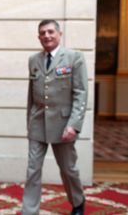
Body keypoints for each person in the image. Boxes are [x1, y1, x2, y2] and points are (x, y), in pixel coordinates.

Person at [22, 20, 88, 215]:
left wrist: (74, 125)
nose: (47, 36)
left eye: (51, 31)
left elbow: (80, 93)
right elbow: (31, 94)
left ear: (60, 34)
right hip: (38, 124)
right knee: (32, 171)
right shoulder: (34, 60)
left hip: (63, 125)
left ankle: (78, 202)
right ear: (38, 37)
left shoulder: (74, 57)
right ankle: (29, 211)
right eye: (43, 33)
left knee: (68, 169)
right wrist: (29, 121)